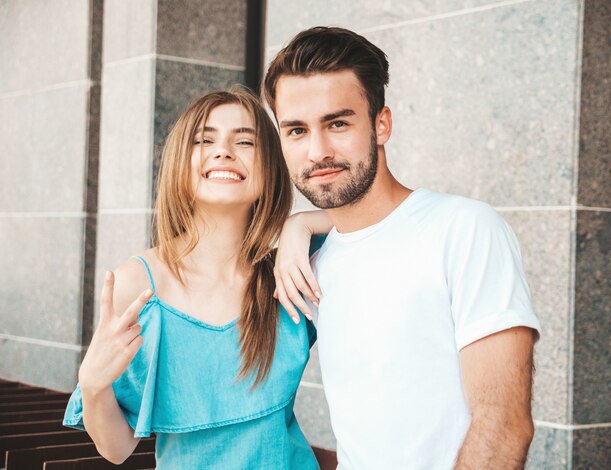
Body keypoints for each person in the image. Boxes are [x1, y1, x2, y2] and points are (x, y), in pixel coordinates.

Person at [266, 27, 542, 470]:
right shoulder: (312, 261)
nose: (318, 151)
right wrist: (296, 226)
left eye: (337, 123)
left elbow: (504, 424)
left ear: (381, 124)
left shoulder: (464, 229)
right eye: (297, 130)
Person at [63, 88, 320, 469]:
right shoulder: (137, 284)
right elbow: (116, 449)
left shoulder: (290, 272)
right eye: (205, 139)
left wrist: (302, 223)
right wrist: (93, 384)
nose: (224, 151)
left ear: (271, 166)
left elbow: (373, 220)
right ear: (181, 163)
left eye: (245, 140)